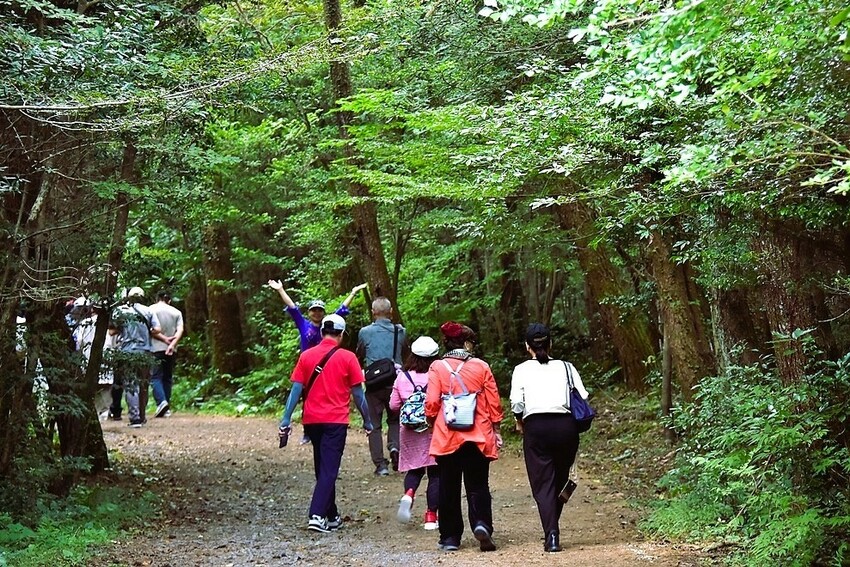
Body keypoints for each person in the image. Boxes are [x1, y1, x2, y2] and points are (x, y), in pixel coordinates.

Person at [278, 314, 374, 533]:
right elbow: (359, 395)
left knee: (323, 468)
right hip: (335, 421)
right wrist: (367, 421)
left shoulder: (306, 356)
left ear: (322, 333)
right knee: (329, 470)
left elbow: (296, 389)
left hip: (312, 420)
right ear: (341, 335)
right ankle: (317, 515)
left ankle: (332, 516)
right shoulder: (349, 358)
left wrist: (286, 418)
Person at [509, 323, 590, 553]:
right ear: (550, 343)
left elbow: (517, 402)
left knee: (543, 483)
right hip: (565, 428)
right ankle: (553, 528)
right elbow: (583, 395)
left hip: (536, 427)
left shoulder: (521, 369)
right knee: (560, 479)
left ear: (527, 347)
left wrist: (518, 420)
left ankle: (552, 535)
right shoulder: (566, 367)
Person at [424, 321, 503, 552]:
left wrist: (431, 421)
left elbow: (431, 402)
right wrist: (496, 426)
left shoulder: (437, 367)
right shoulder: (481, 366)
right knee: (478, 485)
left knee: (448, 486)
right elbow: (494, 402)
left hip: (448, 436)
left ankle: (450, 537)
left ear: (446, 343)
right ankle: (482, 524)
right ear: (466, 343)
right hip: (477, 435)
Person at [268, 279, 367, 444]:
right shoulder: (304, 325)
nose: (317, 313)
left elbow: (341, 311)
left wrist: (353, 293)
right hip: (307, 366)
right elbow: (293, 308)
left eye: (319, 310)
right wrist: (280, 290)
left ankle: (326, 426)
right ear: (309, 312)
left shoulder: (329, 326)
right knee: (305, 398)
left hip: (328, 366)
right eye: (314, 310)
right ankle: (308, 431)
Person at [389, 335, 441, 529]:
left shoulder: (403, 376)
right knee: (436, 473)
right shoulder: (437, 375)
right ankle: (430, 517)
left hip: (409, 431)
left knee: (415, 469)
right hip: (432, 428)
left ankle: (409, 494)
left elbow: (394, 405)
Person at [357, 296, 406, 476]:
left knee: (374, 424)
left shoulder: (364, 332)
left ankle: (380, 465)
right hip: (395, 383)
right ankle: (395, 448)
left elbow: (360, 352)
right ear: (391, 312)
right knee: (395, 420)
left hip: (373, 384)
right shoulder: (400, 332)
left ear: (373, 313)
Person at [109, 287, 168, 427]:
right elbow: (157, 329)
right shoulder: (149, 311)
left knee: (131, 384)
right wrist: (146, 331)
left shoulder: (121, 311)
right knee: (144, 384)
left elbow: (111, 331)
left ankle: (135, 418)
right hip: (146, 351)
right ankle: (142, 416)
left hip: (127, 351)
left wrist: (124, 329)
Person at [149, 290, 184, 418]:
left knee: (155, 377)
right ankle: (166, 406)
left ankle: (161, 402)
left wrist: (163, 339)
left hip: (155, 348)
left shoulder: (151, 310)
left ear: (157, 298)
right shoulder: (176, 312)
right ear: (169, 300)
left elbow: (150, 330)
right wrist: (171, 344)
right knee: (167, 377)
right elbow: (180, 330)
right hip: (171, 349)